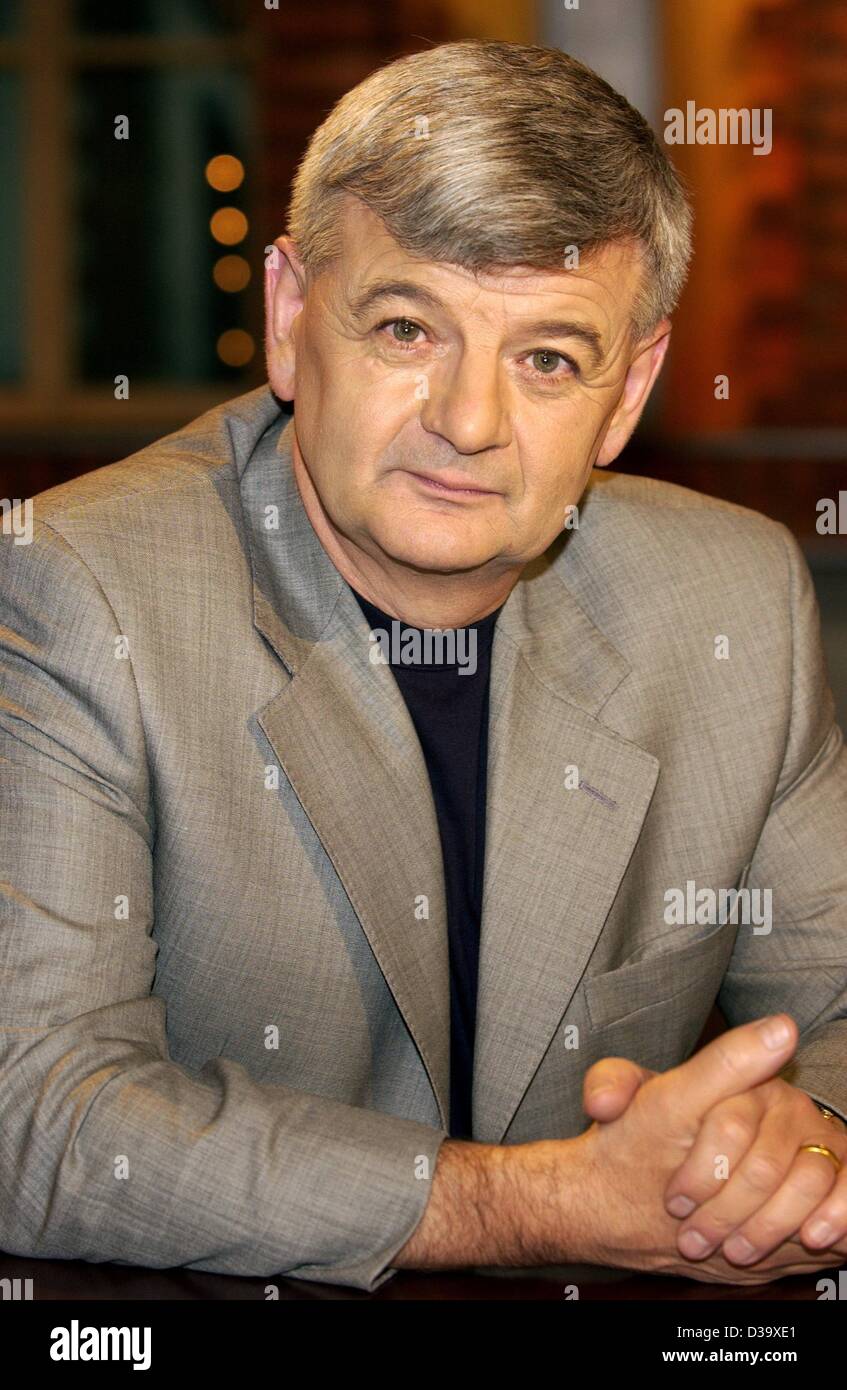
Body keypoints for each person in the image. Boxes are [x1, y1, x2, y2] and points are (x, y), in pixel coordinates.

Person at [1, 40, 845, 1293]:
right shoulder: (78, 590)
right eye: (407, 327)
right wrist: (545, 1204)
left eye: (549, 358)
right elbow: (41, 1123)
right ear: (291, 321)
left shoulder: (736, 599)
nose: (468, 421)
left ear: (630, 391)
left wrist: (798, 1141)